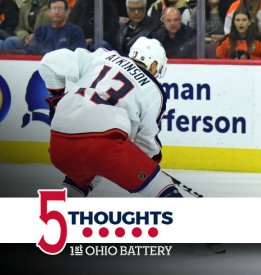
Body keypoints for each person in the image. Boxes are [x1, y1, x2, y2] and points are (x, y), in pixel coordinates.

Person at [38, 36, 183, 198]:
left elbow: (48, 62)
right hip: (102, 144)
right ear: (154, 65)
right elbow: (147, 145)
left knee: (85, 176)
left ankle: (53, 218)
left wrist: (58, 97)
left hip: (59, 144)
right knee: (159, 185)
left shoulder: (102, 56)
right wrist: (151, 168)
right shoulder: (153, 90)